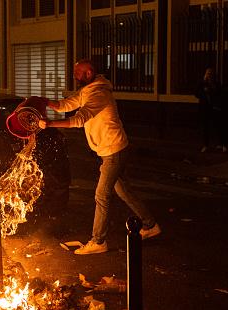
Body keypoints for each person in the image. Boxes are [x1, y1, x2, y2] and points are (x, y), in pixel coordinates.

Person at [37, 59, 161, 255]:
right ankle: (150, 225)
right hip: (111, 150)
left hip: (114, 151)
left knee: (101, 195)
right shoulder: (88, 90)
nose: (74, 76)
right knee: (123, 192)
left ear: (88, 73)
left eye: (77, 73)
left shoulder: (99, 94)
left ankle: (98, 241)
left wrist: (51, 124)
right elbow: (66, 104)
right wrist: (47, 103)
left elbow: (79, 119)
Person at [195, 67, 224, 153]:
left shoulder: (216, 84)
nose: (209, 75)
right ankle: (206, 145)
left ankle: (220, 143)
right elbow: (196, 93)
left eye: (211, 74)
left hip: (214, 108)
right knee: (205, 127)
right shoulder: (202, 83)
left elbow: (219, 94)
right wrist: (204, 91)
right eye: (208, 73)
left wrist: (212, 90)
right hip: (204, 109)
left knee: (217, 126)